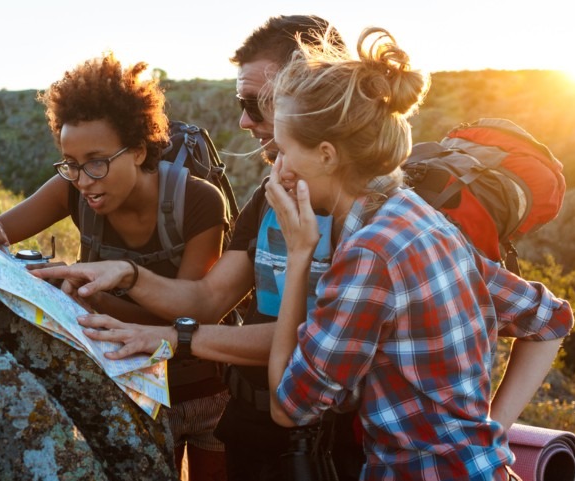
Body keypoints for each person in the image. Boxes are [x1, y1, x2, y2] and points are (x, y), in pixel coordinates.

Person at [33, 16, 366, 481]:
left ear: (312, 97)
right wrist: (128, 275)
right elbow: (208, 299)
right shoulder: (267, 198)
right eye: (240, 102)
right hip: (251, 426)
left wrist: (175, 337)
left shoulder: (373, 218)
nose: (243, 120)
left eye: (258, 103)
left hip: (339, 439)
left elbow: (314, 341)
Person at [260, 27, 573, 479]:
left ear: (327, 155)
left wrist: (298, 254)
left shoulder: (370, 253)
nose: (280, 168)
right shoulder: (416, 215)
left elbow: (289, 407)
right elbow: (550, 319)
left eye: (286, 150)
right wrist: (489, 434)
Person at [0, 53, 230, 480]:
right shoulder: (71, 189)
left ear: (137, 150)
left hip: (203, 394)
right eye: (71, 163)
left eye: (97, 161)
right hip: (126, 388)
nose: (83, 179)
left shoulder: (199, 201)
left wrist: (92, 300)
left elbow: (188, 315)